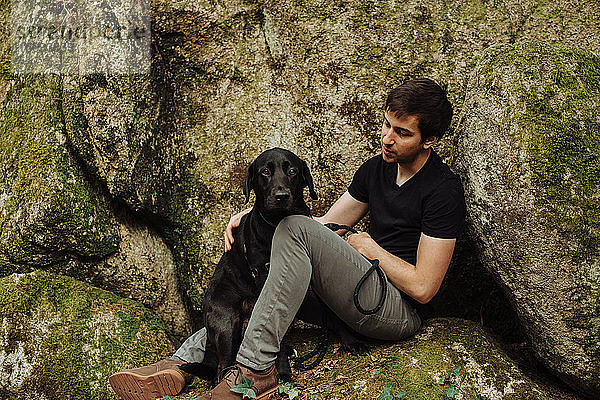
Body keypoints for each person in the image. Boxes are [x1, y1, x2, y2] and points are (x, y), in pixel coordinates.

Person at [109, 78, 466, 400]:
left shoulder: (442, 190)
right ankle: (180, 364)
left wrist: (371, 248)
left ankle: (254, 370)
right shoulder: (376, 168)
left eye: (402, 133)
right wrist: (249, 218)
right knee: (267, 281)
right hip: (355, 294)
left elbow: (424, 288)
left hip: (395, 312)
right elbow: (323, 225)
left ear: (430, 140)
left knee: (293, 228)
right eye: (386, 125)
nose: (387, 138)